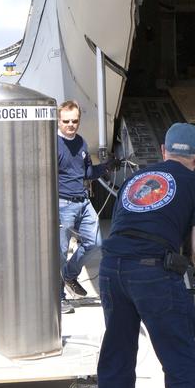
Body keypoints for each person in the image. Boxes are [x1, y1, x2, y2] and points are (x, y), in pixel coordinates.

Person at [97, 123, 195, 388]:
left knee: (117, 359)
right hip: (153, 274)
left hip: (111, 270)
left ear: (164, 151)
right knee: (179, 362)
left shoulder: (137, 179)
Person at [57, 100, 115, 313]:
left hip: (83, 201)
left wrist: (105, 168)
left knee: (95, 243)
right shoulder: (53, 144)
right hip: (63, 204)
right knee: (61, 252)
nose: (71, 125)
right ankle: (59, 297)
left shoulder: (81, 142)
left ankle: (70, 274)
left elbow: (86, 173)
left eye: (75, 121)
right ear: (58, 120)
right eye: (66, 121)